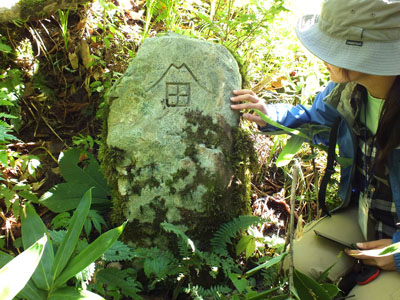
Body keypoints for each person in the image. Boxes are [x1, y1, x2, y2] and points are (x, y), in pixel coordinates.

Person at [230, 0, 400, 298]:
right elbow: (319, 120)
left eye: (332, 48)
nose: (321, 55)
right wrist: (270, 114)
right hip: (366, 219)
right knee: (296, 268)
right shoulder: (348, 91)